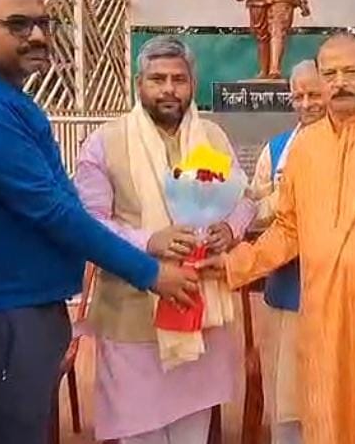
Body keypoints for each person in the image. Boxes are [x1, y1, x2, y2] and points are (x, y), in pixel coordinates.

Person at [0, 0, 197, 444]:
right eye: (18, 24)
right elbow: (52, 209)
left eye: (43, 23)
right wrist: (150, 271)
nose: (37, 36)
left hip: (14, 307)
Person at [199, 33, 355, 443]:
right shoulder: (306, 147)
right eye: (330, 74)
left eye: (350, 72)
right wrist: (236, 264)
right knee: (324, 419)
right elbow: (289, 228)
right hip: (322, 316)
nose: (339, 82)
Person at [73, 35, 256, 444]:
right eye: (158, 79)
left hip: (198, 308)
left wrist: (230, 228)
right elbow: (88, 223)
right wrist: (148, 241)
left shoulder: (212, 137)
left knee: (192, 431)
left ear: (192, 84)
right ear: (139, 84)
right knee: (141, 433)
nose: (169, 89)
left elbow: (244, 199)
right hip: (133, 315)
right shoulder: (106, 142)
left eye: (179, 79)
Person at [247, 59, 327, 444]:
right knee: (289, 400)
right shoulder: (276, 150)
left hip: (342, 292)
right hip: (288, 290)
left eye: (314, 94)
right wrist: (288, 201)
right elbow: (254, 209)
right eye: (299, 95)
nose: (306, 103)